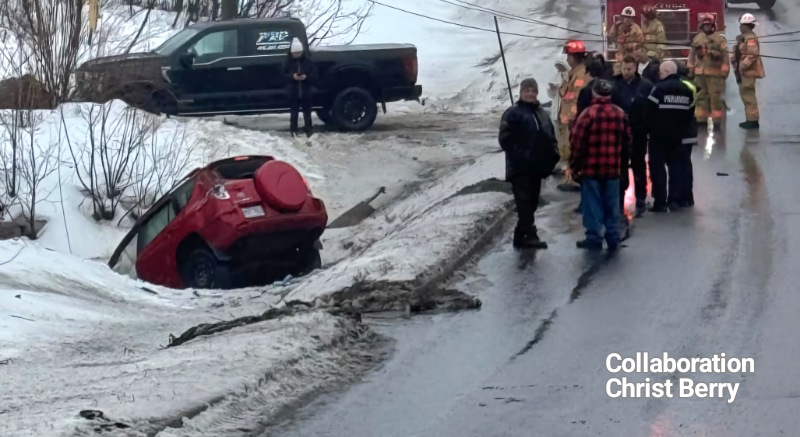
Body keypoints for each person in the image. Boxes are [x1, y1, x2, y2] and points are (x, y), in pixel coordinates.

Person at [569, 79, 631, 251]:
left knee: (592, 205)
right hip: (612, 169)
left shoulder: (588, 114)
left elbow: (576, 142)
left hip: (591, 169)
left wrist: (574, 166)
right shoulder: (619, 113)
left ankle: (594, 238)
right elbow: (627, 141)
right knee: (612, 205)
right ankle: (613, 237)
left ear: (594, 93)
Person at [499, 78, 560, 249]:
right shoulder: (512, 113)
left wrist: (553, 155)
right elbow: (505, 140)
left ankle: (520, 234)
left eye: (533, 91)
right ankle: (529, 234)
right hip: (520, 168)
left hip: (537, 167)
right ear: (521, 92)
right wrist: (523, 155)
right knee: (524, 203)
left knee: (532, 201)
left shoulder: (541, 113)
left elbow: (550, 137)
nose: (530, 94)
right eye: (527, 91)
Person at [645, 61, 698, 212]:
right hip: (679, 137)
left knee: (658, 170)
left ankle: (660, 202)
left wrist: (650, 131)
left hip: (659, 137)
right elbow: (690, 113)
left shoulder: (658, 89)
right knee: (677, 169)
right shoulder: (686, 90)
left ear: (667, 71)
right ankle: (675, 200)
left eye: (661, 73)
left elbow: (649, 113)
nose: (659, 75)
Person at [612, 55, 654, 221]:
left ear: (635, 68)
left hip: (639, 132)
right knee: (620, 167)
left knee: (638, 166)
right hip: (619, 133)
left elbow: (652, 109)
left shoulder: (645, 86)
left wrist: (649, 128)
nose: (626, 72)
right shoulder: (614, 85)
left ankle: (641, 199)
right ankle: (619, 201)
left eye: (629, 69)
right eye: (623, 68)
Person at [686, 15, 730, 129]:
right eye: (705, 25)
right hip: (700, 75)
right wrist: (690, 69)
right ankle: (701, 119)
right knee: (700, 97)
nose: (707, 27)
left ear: (712, 26)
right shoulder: (697, 39)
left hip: (714, 75)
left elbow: (725, 57)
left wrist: (724, 72)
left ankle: (716, 121)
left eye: (709, 25)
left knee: (715, 98)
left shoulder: (719, 40)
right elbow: (691, 56)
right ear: (702, 26)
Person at [557, 40, 588, 180]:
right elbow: (563, 91)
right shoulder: (572, 72)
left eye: (569, 57)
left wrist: (573, 117)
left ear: (575, 57)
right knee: (566, 149)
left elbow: (576, 95)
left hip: (573, 118)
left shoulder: (581, 74)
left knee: (573, 150)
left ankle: (574, 178)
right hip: (567, 118)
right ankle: (569, 177)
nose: (567, 59)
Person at [733, 13, 765, 130]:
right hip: (743, 72)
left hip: (748, 72)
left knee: (749, 96)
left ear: (746, 26)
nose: (740, 27)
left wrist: (742, 65)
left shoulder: (750, 38)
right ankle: (750, 119)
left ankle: (753, 121)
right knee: (746, 96)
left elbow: (752, 54)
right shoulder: (744, 37)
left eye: (741, 25)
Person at [284, 38, 315, 137]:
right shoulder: (288, 63)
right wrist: (292, 77)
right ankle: (293, 130)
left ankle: (309, 130)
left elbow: (315, 75)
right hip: (293, 92)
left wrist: (306, 77)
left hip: (306, 91)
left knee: (307, 113)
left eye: (299, 52)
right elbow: (282, 76)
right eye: (295, 53)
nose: (297, 55)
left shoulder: (308, 62)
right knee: (294, 114)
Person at [608, 6, 644, 75]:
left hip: (631, 57)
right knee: (617, 72)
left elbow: (641, 42)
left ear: (632, 19)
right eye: (626, 17)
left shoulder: (636, 29)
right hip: (620, 55)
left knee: (630, 73)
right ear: (622, 17)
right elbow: (610, 36)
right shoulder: (618, 26)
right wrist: (615, 27)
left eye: (630, 18)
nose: (627, 19)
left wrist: (632, 45)